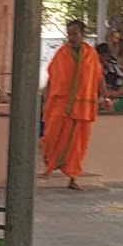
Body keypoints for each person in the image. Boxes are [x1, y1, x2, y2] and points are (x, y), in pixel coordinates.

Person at [40, 20, 103, 190]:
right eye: (69, 33)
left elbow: (97, 77)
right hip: (61, 103)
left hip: (83, 106)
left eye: (75, 33)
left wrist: (106, 97)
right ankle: (49, 166)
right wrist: (45, 98)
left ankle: (73, 177)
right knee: (50, 136)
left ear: (82, 34)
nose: (71, 37)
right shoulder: (61, 53)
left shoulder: (91, 54)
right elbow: (52, 76)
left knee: (78, 145)